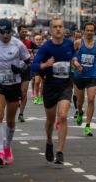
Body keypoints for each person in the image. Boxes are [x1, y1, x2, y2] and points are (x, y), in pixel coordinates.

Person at [0, 19, 31, 165]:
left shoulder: (18, 44)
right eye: (2, 32)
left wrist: (20, 68)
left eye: (8, 32)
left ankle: (7, 147)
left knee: (10, 119)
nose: (5, 35)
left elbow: (28, 60)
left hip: (13, 84)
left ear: (12, 31)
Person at [31, 18, 76, 164]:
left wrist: (76, 63)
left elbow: (74, 57)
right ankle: (49, 142)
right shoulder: (46, 47)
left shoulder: (70, 44)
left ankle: (60, 151)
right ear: (51, 30)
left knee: (62, 115)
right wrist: (46, 65)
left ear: (64, 29)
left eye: (60, 27)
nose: (58, 29)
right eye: (55, 27)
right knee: (50, 120)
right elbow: (34, 66)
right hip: (50, 86)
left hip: (65, 85)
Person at [73, 22, 96, 136]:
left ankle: (88, 125)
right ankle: (80, 112)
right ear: (84, 31)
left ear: (94, 32)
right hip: (79, 75)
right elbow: (72, 57)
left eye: (91, 30)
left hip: (92, 75)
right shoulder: (78, 43)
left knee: (91, 99)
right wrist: (76, 63)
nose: (89, 32)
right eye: (87, 30)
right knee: (80, 101)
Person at [18, 25, 38, 122]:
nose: (24, 33)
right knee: (15, 92)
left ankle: (21, 113)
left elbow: (39, 50)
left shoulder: (29, 43)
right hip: (15, 70)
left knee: (24, 92)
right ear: (18, 32)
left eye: (26, 32)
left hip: (25, 70)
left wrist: (33, 54)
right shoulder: (13, 42)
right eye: (23, 31)